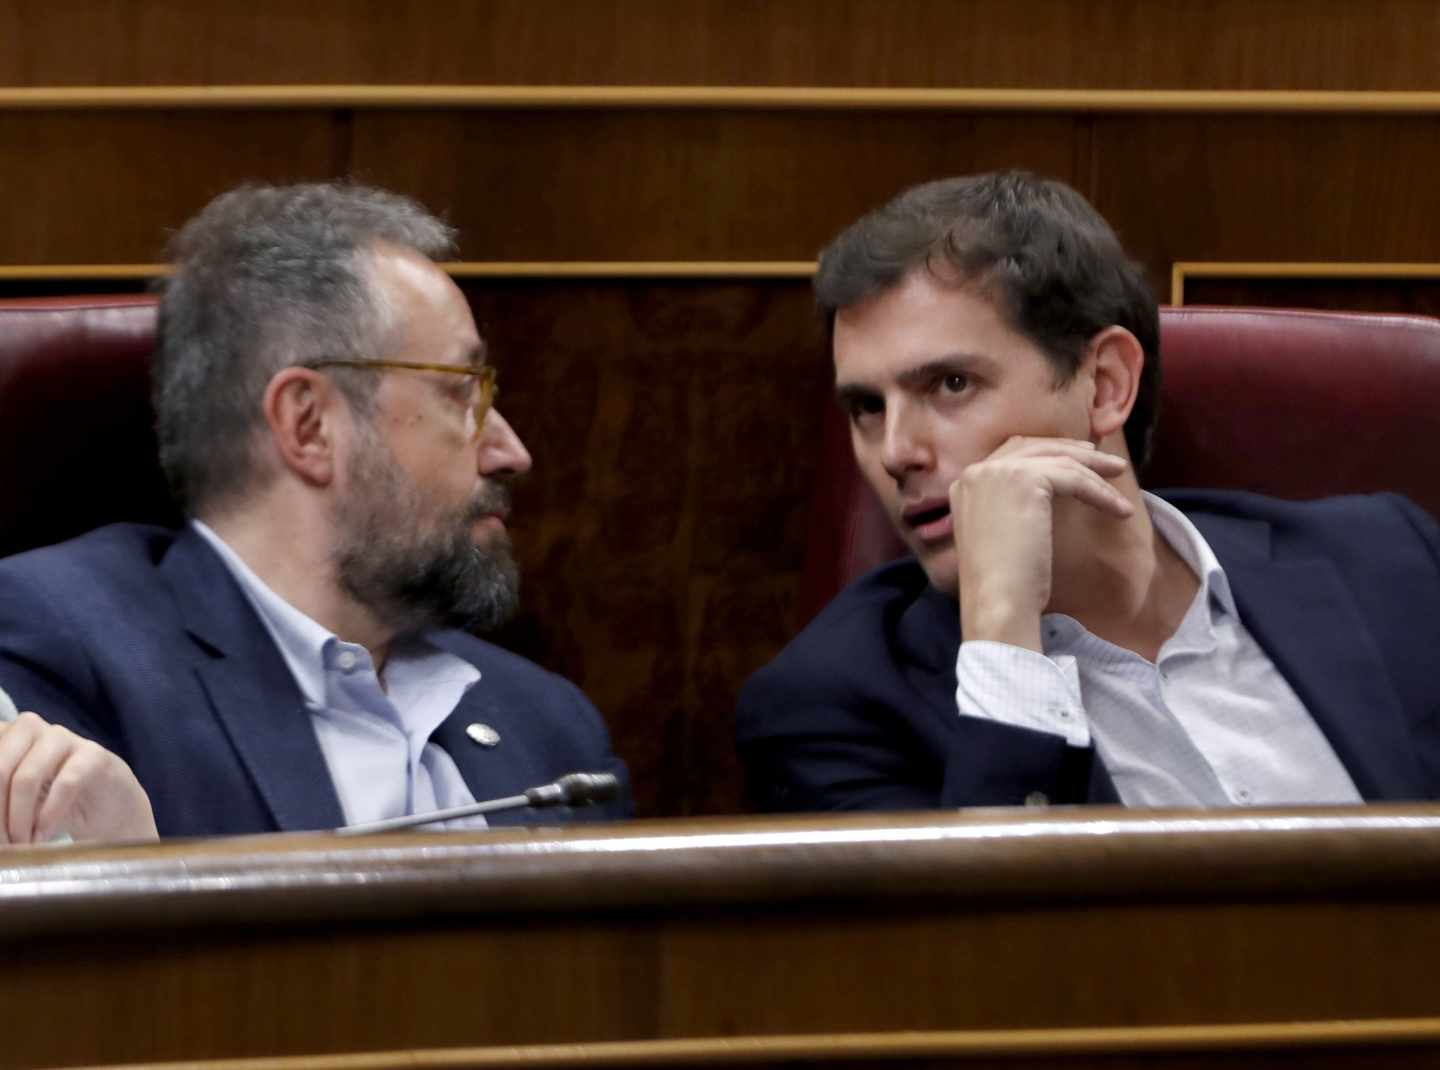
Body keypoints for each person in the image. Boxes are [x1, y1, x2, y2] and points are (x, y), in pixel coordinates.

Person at [738, 171, 1440, 812]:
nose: (895, 452)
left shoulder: (1392, 563)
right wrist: (1004, 635)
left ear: (1105, 386)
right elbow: (980, 948)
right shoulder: (829, 709)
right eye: (867, 407)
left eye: (951, 385)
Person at [0, 183, 630, 845]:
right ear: (309, 426)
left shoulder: (552, 725)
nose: (510, 450)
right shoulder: (63, 651)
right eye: (461, 394)